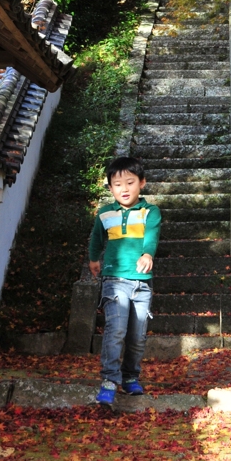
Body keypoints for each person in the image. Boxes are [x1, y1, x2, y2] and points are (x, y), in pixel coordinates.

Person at [88, 156, 161, 405]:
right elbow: (96, 238)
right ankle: (109, 379)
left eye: (130, 182)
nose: (124, 189)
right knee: (115, 330)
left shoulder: (150, 211)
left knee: (137, 336)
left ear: (142, 183)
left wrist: (148, 253)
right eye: (118, 184)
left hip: (142, 283)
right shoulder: (105, 213)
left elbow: (151, 236)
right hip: (114, 280)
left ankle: (130, 377)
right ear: (110, 188)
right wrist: (93, 258)